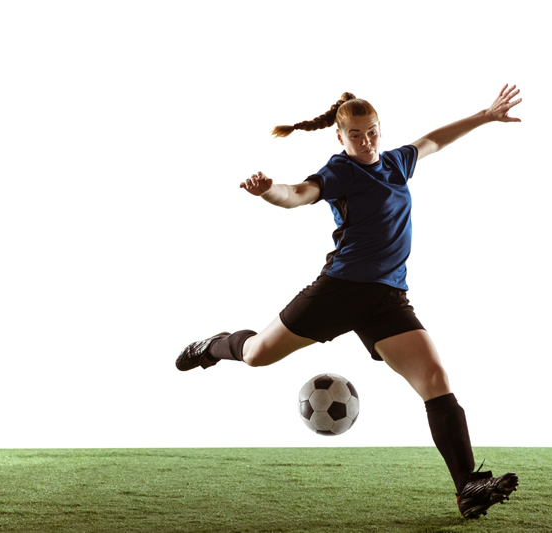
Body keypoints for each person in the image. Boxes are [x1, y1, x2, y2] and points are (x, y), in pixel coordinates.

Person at [176, 85, 523, 519]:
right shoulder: (339, 171)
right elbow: (297, 194)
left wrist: (486, 115)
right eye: (356, 134)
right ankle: (213, 346)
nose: (366, 141)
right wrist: (268, 190)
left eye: (372, 132)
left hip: (388, 298)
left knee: (434, 378)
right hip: (339, 292)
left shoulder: (396, 162)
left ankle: (468, 485)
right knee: (255, 355)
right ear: (340, 137)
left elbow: (433, 140)